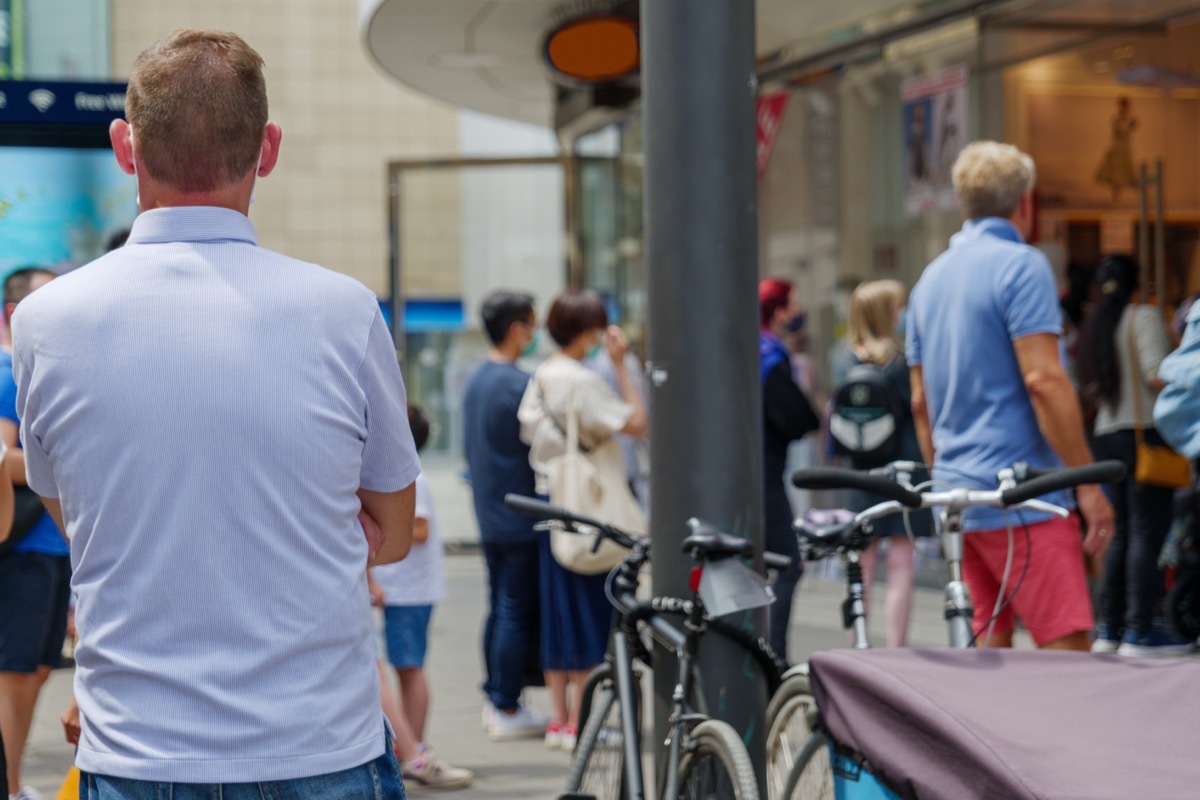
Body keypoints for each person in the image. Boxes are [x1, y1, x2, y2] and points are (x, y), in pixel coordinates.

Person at [12, 29, 419, 796]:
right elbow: (394, 534)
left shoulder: (45, 321)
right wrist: (307, 531)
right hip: (322, 750)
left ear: (124, 148)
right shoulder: (344, 311)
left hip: (135, 756)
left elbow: (79, 517)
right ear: (267, 149)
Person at [908, 140, 1114, 652]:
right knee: (1068, 663)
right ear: (1026, 203)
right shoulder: (1021, 266)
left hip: (957, 498)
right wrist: (1086, 485)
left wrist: (944, 470)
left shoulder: (927, 281)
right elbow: (1044, 380)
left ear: (963, 203)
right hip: (1023, 497)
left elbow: (920, 404)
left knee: (986, 664)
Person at [518, 289, 647, 751]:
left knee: (558, 616)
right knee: (592, 613)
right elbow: (635, 423)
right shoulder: (582, 381)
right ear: (590, 331)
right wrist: (620, 365)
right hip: (588, 513)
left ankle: (559, 720)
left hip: (550, 503)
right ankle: (583, 722)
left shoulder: (542, 375)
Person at [1077, 256, 1192, 656]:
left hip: (1108, 436)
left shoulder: (1096, 325)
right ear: (1136, 283)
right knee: (1147, 531)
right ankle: (1140, 629)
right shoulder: (1141, 316)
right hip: (1143, 437)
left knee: (1124, 532)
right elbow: (1154, 373)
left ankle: (1111, 626)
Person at [370, 404, 473, 788]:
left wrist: (382, 529)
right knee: (405, 667)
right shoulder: (410, 473)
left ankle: (414, 747)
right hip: (407, 590)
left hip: (409, 591)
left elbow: (421, 529)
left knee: (408, 668)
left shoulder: (410, 478)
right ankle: (411, 746)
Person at [462, 290, 547, 741]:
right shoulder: (518, 384)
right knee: (514, 611)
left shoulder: (478, 380)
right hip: (519, 517)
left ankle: (497, 697)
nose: (534, 334)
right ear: (518, 329)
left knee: (499, 609)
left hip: (490, 514)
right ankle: (507, 706)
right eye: (532, 325)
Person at [0, 267, 66, 800]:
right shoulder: (6, 372)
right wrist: (64, 460)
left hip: (48, 543)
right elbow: (3, 456)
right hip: (21, 547)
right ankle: (12, 786)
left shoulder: (39, 368)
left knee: (36, 670)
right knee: (16, 674)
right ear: (17, 312)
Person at [843, 280, 934, 648]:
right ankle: (897, 646)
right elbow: (918, 405)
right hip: (903, 467)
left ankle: (857, 643)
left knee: (859, 565)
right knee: (900, 564)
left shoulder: (845, 356)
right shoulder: (900, 359)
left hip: (860, 468)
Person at [759, 279, 820, 663]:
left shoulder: (748, 350)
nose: (797, 313)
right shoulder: (770, 358)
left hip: (752, 476)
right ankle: (774, 654)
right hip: (764, 479)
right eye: (793, 305)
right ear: (779, 312)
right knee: (788, 563)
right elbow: (800, 417)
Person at [584, 343, 650, 513]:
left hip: (620, 466)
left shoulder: (554, 370)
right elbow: (639, 423)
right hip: (608, 469)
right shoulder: (581, 373)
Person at [1094, 97, 1138, 204]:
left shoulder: (1130, 118)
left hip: (1125, 148)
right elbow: (1114, 134)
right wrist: (1109, 146)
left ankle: (1140, 198)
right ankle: (1115, 200)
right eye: (1122, 105)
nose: (1123, 107)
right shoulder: (1116, 119)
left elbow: (1134, 124)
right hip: (1117, 147)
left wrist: (1130, 114)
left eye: (1125, 105)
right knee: (1115, 175)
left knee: (1129, 172)